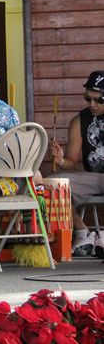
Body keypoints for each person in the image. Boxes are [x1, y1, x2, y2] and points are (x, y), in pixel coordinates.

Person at [51, 70, 104, 257]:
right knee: (53, 184)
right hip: (93, 177)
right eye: (88, 98)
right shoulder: (79, 120)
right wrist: (61, 159)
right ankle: (83, 233)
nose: (92, 104)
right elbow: (72, 162)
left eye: (99, 100)